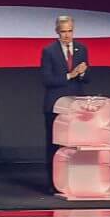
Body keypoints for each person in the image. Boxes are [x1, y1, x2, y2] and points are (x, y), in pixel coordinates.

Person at [38, 14, 93, 143]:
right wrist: (70, 75)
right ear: (57, 31)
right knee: (55, 143)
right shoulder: (49, 51)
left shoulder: (81, 49)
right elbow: (47, 80)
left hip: (76, 106)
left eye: (70, 31)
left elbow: (88, 78)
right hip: (56, 105)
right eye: (63, 31)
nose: (67, 35)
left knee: (76, 142)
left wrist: (82, 73)